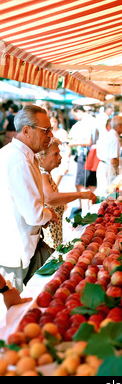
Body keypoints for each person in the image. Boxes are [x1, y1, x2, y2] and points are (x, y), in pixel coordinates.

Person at [0, 104, 58, 292]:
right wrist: (49, 214)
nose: (50, 135)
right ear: (26, 131)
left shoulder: (20, 155)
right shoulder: (19, 160)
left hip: (18, 247)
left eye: (50, 130)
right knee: (12, 311)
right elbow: (34, 215)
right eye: (46, 130)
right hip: (13, 250)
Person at [37, 138, 98, 249]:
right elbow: (50, 198)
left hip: (55, 232)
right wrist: (81, 195)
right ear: (42, 159)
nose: (60, 157)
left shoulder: (46, 174)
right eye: (55, 154)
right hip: (49, 236)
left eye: (59, 153)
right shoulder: (42, 174)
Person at [68, 105, 99, 213]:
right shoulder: (93, 120)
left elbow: (88, 141)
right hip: (93, 155)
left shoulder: (86, 122)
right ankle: (91, 206)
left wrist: (73, 143)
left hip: (85, 154)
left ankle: (84, 207)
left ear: (79, 111)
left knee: (80, 183)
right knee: (91, 182)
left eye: (74, 114)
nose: (75, 117)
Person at [96, 115, 122, 197]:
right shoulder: (114, 138)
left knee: (103, 192)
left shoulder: (109, 134)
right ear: (119, 126)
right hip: (108, 168)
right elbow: (113, 160)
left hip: (103, 166)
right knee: (107, 194)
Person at [49, 112, 71, 187]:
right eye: (51, 121)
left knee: (54, 185)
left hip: (59, 161)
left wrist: (67, 162)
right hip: (48, 161)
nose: (53, 123)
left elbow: (68, 148)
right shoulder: (47, 132)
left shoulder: (62, 132)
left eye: (55, 121)